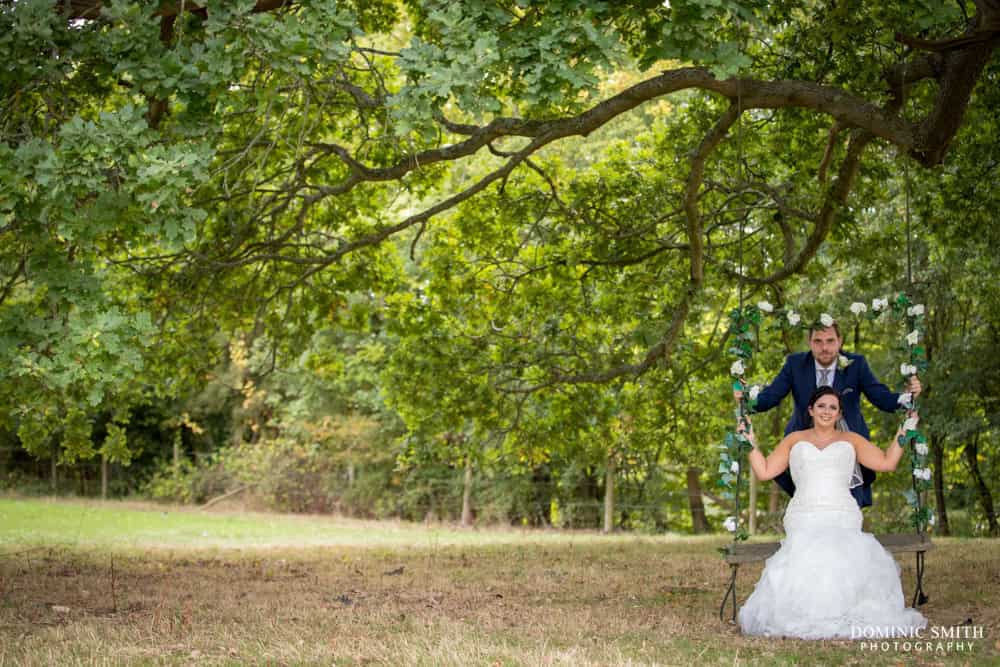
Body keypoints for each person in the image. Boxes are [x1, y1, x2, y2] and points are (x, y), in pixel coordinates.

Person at [736, 386, 928, 639]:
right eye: (821, 406)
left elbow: (886, 463)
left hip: (842, 512)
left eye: (833, 407)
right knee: (809, 549)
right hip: (804, 513)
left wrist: (905, 429)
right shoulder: (794, 439)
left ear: (839, 413)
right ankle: (804, 614)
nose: (827, 411)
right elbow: (764, 471)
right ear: (810, 410)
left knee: (841, 548)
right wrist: (747, 438)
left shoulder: (851, 440)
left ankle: (847, 612)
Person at [736, 320, 921, 507]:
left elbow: (882, 398)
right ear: (809, 342)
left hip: (846, 446)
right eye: (818, 341)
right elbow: (770, 397)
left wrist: (908, 398)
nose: (824, 347)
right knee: (807, 498)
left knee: (850, 503)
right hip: (804, 444)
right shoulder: (795, 364)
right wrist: (745, 400)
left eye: (830, 341)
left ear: (839, 341)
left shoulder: (856, 364)